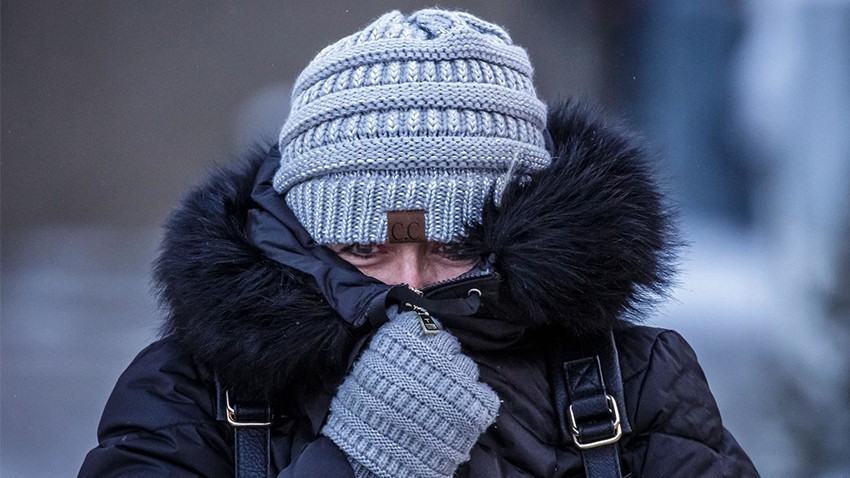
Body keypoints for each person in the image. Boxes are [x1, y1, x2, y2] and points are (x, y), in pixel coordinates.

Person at [79, 9, 759, 478]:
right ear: (305, 237)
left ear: (522, 231)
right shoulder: (193, 392)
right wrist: (357, 459)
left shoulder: (632, 384)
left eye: (451, 247)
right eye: (364, 249)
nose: (408, 287)